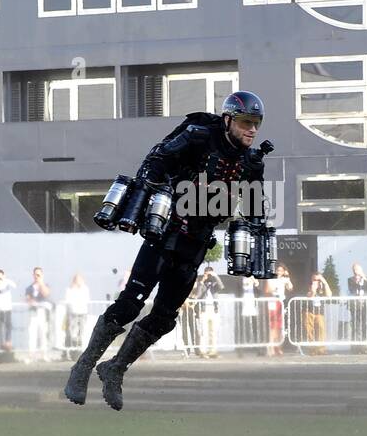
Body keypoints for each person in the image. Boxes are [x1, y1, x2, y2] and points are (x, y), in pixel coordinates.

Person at [64, 90, 273, 409]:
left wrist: (249, 225)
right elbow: (156, 161)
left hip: (196, 245)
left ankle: (115, 369)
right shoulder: (200, 135)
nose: (253, 129)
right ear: (229, 119)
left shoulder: (250, 162)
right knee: (130, 304)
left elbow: (256, 211)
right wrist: (165, 190)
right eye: (246, 122)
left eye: (257, 123)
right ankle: (83, 367)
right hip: (166, 233)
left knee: (164, 318)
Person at [192, 265, 224, 357]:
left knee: (213, 331)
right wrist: (202, 281)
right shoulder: (201, 283)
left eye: (210, 273)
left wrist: (215, 276)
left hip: (214, 309)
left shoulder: (215, 283)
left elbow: (221, 286)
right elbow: (198, 295)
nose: (209, 276)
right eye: (207, 273)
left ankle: (213, 351)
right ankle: (203, 351)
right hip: (204, 309)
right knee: (203, 331)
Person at [25, 268, 52, 362]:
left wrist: (40, 283)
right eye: (35, 275)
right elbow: (27, 299)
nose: (36, 276)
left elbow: (46, 294)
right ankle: (31, 355)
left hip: (42, 312)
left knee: (43, 333)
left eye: (39, 275)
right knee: (32, 333)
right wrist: (31, 301)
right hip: (33, 312)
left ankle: (44, 354)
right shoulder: (29, 287)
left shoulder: (46, 285)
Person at [347, 262, 367, 354]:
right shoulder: (351, 279)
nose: (356, 271)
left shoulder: (366, 279)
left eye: (358, 269)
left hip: (366, 306)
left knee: (366, 326)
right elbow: (352, 289)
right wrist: (357, 281)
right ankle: (356, 347)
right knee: (356, 326)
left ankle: (366, 346)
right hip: (355, 306)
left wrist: (363, 277)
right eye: (354, 270)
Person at [302, 272, 331, 355]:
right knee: (309, 330)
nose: (316, 281)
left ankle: (321, 349)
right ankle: (312, 349)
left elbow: (329, 295)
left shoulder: (323, 286)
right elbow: (309, 296)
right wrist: (313, 289)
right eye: (314, 279)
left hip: (319, 311)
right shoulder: (308, 285)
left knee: (321, 328)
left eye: (318, 280)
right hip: (308, 310)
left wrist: (324, 282)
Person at [0, 269, 16, 356]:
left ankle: (7, 346)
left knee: (8, 328)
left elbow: (15, 286)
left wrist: (4, 280)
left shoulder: (7, 283)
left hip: (7, 309)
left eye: (0, 276)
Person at [64, 274, 91, 354]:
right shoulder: (69, 289)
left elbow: (87, 299)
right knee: (73, 332)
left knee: (82, 331)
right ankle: (73, 350)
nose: (78, 281)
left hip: (83, 312)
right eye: (76, 279)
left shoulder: (85, 288)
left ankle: (81, 349)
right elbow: (68, 299)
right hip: (73, 313)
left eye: (80, 279)